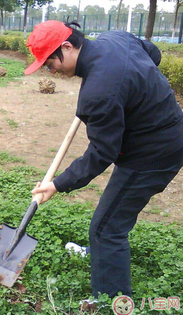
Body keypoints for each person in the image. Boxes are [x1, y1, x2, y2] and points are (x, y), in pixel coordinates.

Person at [27, 20, 183, 298]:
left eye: (49, 61)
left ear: (67, 46)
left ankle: (111, 303)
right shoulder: (114, 38)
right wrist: (134, 87)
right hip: (166, 133)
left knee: (105, 228)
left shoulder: (99, 92)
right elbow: (153, 53)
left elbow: (102, 153)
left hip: (153, 154)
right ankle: (103, 257)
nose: (50, 69)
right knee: (111, 214)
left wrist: (58, 184)